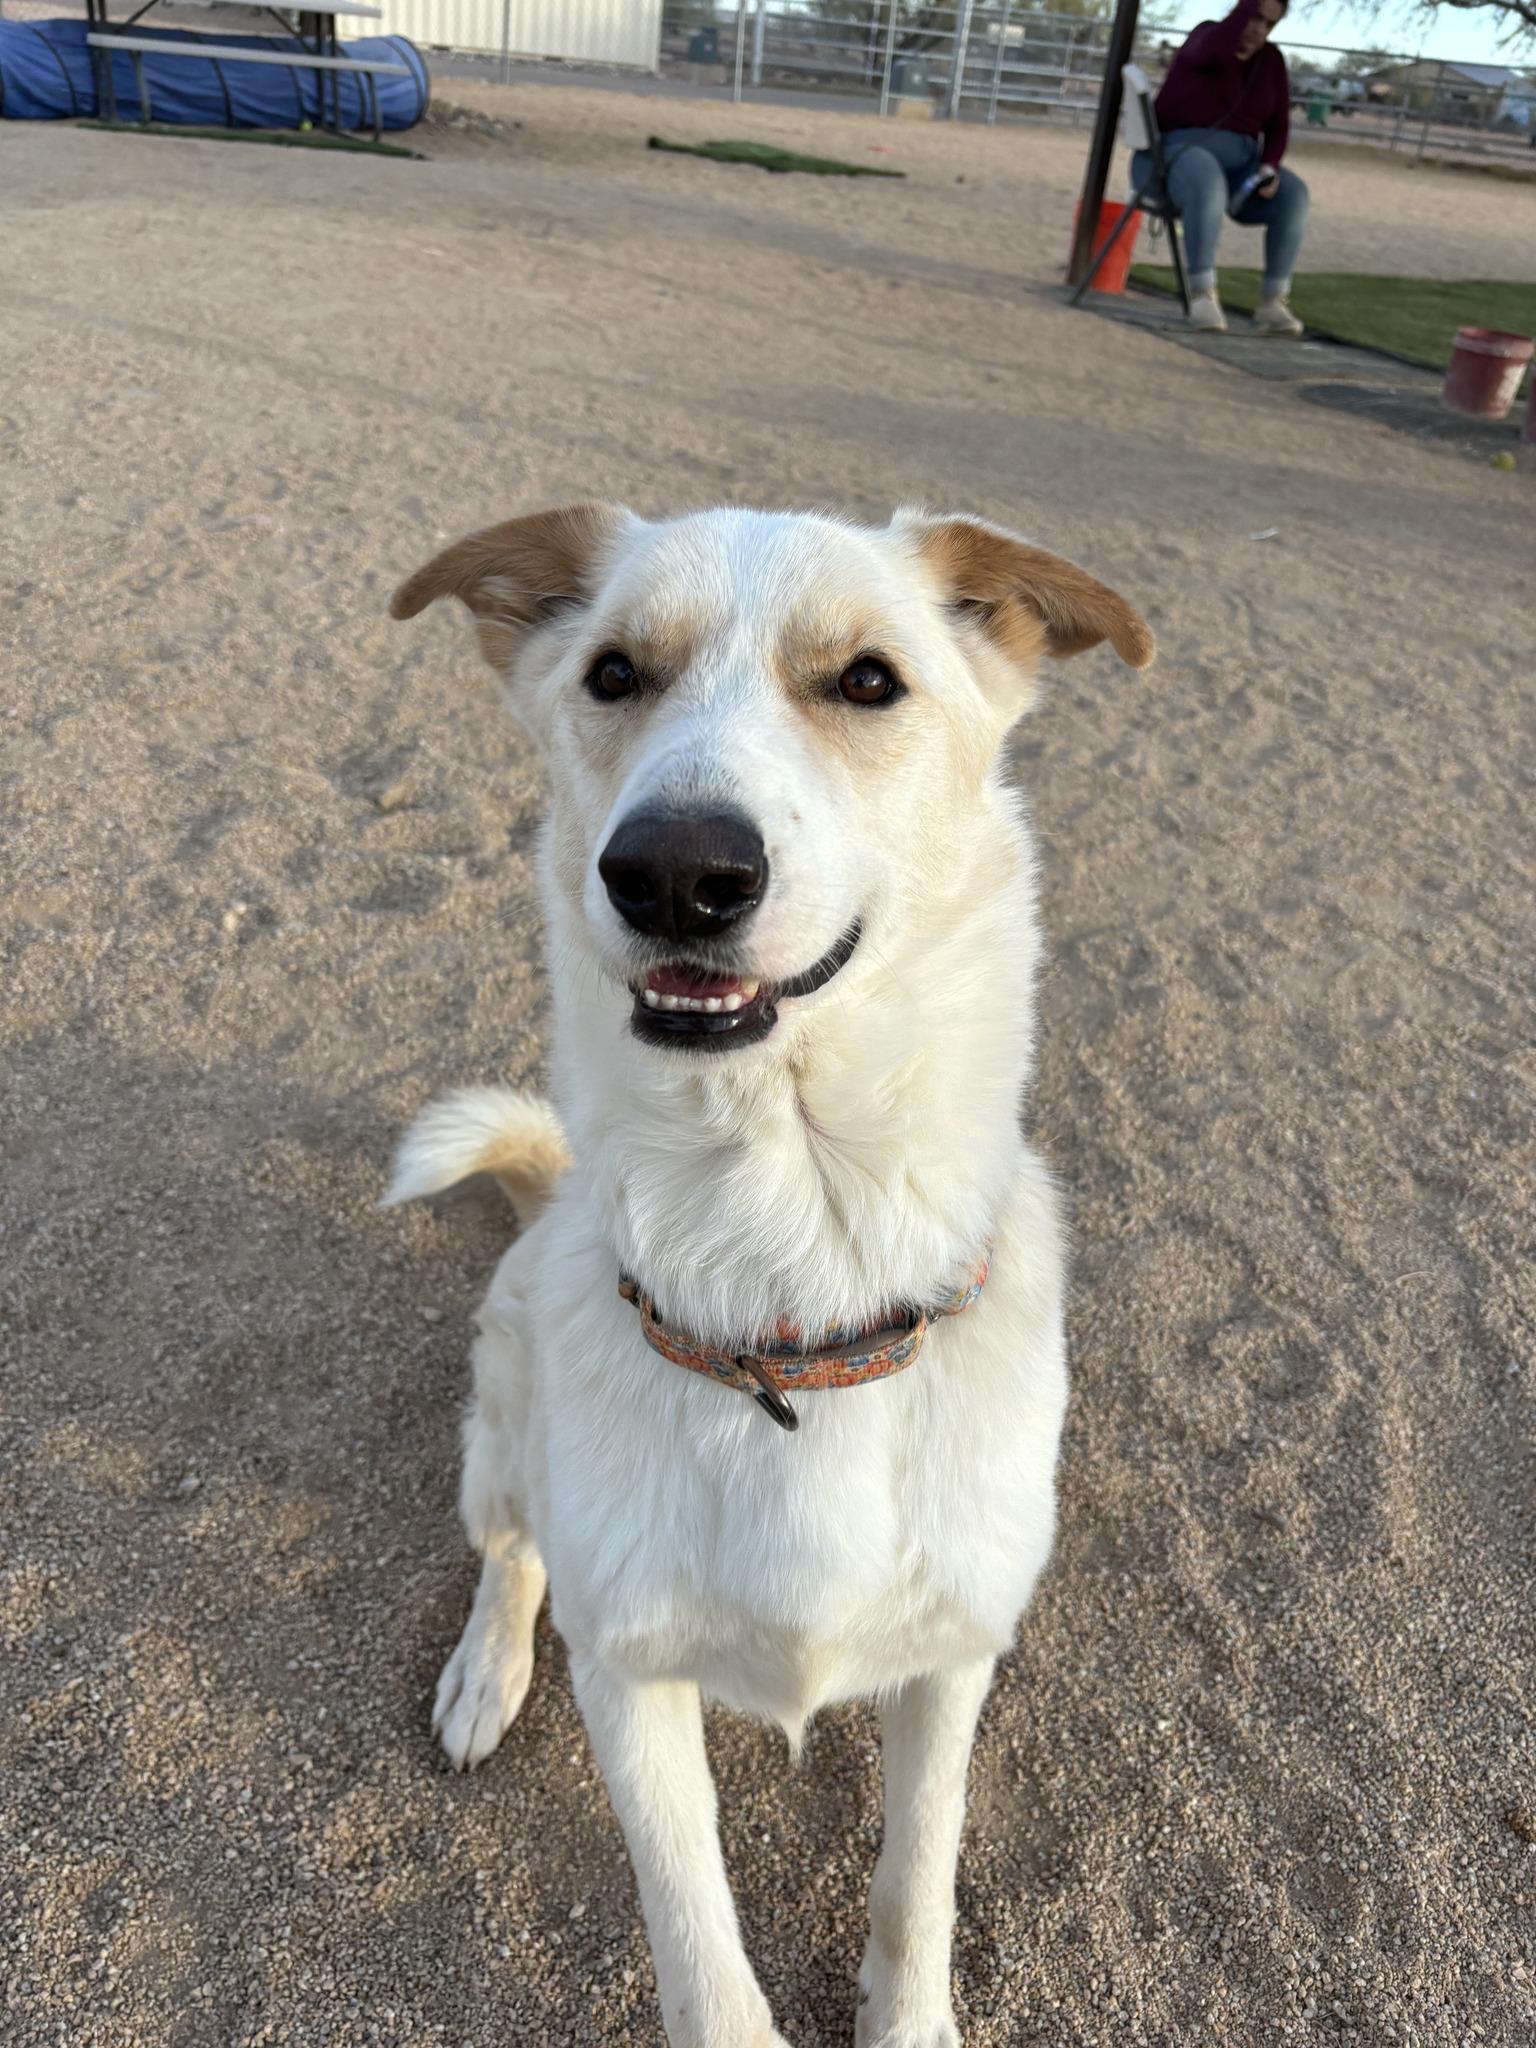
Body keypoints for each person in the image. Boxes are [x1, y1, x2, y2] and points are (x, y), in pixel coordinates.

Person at [1137, 0, 1309, 336]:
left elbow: (1278, 126)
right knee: (1205, 176)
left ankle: (1274, 302)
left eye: (1268, 24)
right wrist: (1240, 21)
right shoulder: (1206, 37)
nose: (1259, 29)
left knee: (1294, 194)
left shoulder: (1271, 61)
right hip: (1177, 152)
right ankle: (1202, 294)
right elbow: (1206, 55)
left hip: (1242, 165)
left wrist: (1269, 166)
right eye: (1254, 18)